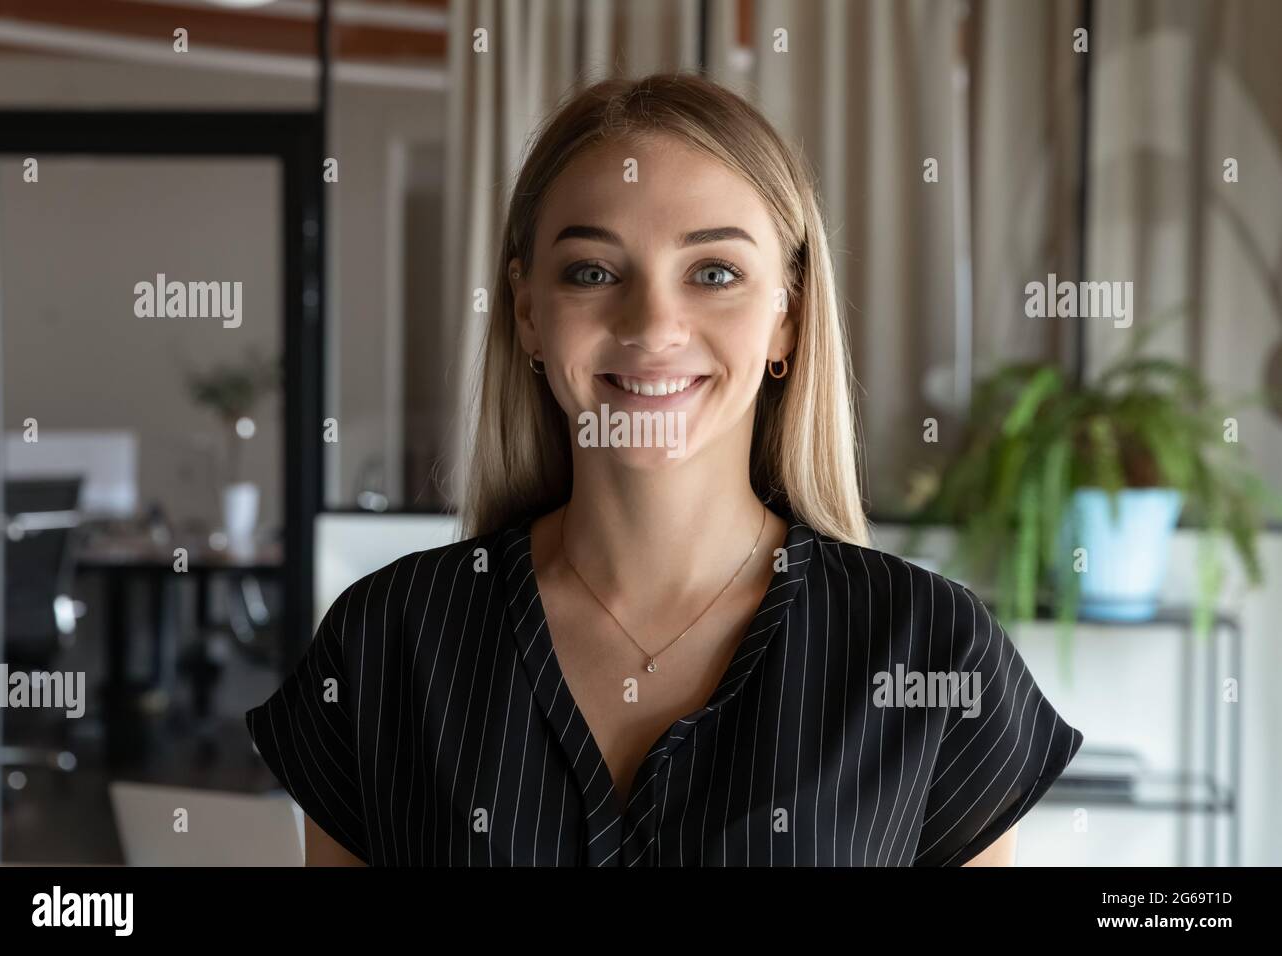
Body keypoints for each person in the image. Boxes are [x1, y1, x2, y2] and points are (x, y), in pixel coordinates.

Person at [246, 71, 1083, 867]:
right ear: (529, 312)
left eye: (714, 272)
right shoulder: (387, 640)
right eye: (593, 271)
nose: (653, 325)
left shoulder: (932, 648)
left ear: (786, 316)